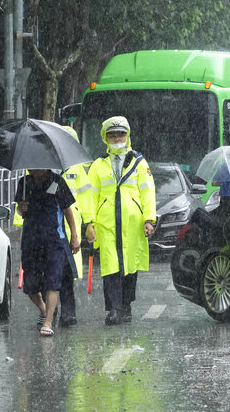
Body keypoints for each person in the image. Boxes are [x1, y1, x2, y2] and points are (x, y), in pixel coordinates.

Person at [84, 116, 156, 326]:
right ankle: (114, 309)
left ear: (128, 135)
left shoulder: (139, 162)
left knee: (130, 267)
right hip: (106, 224)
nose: (117, 138)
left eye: (121, 134)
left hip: (132, 224)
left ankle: (126, 305)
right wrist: (89, 223)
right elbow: (90, 195)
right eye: (112, 135)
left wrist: (149, 219)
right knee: (111, 267)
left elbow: (148, 191)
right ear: (105, 138)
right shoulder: (98, 165)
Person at [15, 168, 80, 336]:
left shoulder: (58, 182)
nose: (31, 169)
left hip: (54, 240)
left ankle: (49, 322)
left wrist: (74, 236)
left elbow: (67, 210)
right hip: (31, 240)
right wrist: (21, 208)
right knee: (30, 285)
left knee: (53, 282)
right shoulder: (24, 183)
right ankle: (44, 311)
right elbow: (20, 211)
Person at [57, 125, 93, 327]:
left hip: (70, 227)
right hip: (48, 226)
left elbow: (86, 198)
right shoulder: (41, 166)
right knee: (48, 271)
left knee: (66, 272)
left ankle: (68, 313)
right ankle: (48, 312)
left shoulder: (78, 170)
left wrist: (89, 223)